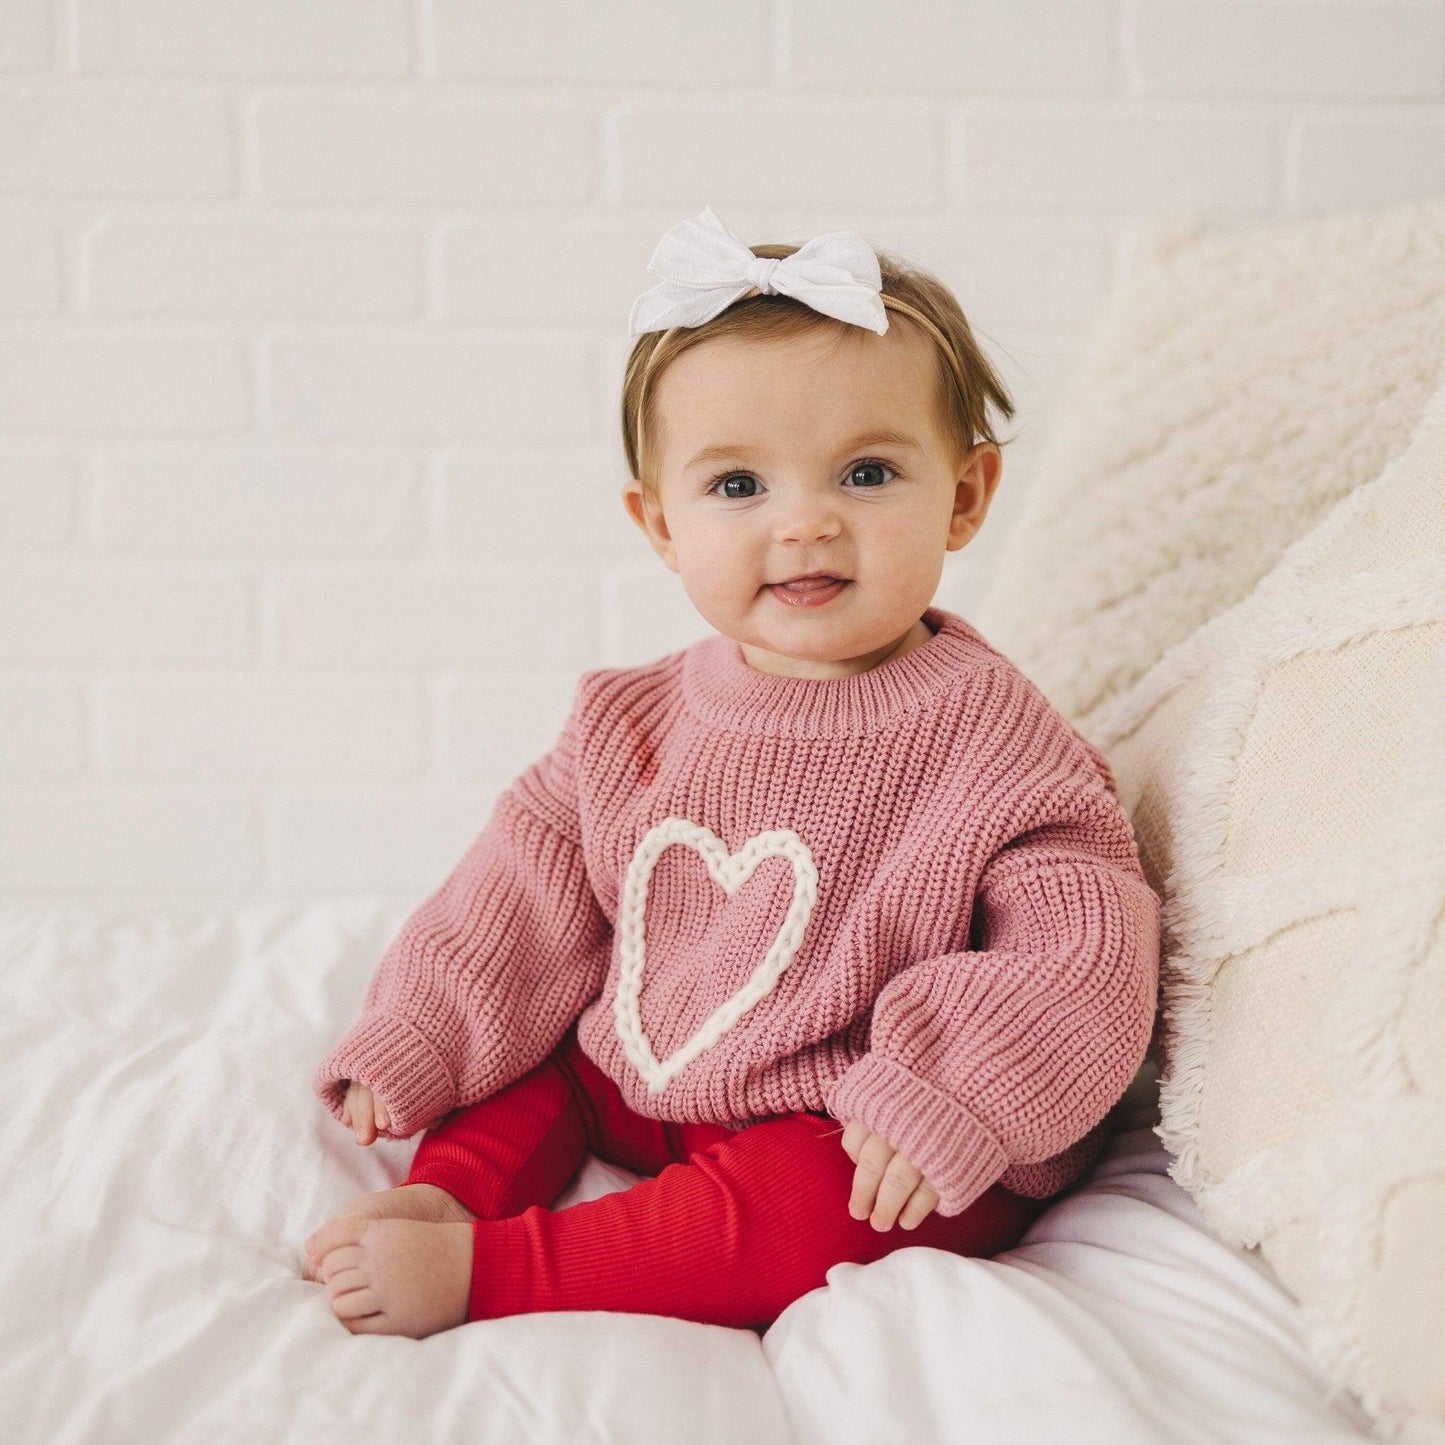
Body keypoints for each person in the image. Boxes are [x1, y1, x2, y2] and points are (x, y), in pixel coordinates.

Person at [300, 206, 1162, 1339]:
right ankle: (456, 1189)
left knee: (806, 1210)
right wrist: (424, 1024)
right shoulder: (629, 718)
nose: (803, 522)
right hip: (655, 1067)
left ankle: (503, 1269)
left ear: (962, 496)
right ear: (659, 524)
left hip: (858, 1116)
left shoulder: (998, 742)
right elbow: (514, 895)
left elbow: (1081, 947)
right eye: (738, 487)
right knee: (545, 1051)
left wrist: (945, 1090)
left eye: (864, 472)